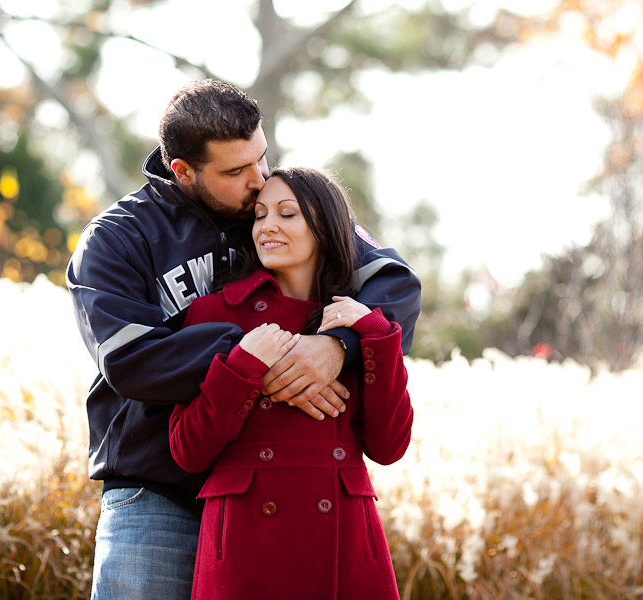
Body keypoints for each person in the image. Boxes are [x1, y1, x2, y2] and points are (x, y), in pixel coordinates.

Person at [66, 80, 420, 600]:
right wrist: (257, 356)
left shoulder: (277, 207)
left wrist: (336, 346)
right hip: (157, 494)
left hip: (268, 496)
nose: (258, 181)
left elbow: (395, 284)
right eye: (236, 172)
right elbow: (130, 358)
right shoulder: (117, 238)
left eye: (261, 157)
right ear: (182, 170)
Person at [169, 166, 412, 600]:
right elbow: (188, 449)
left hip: (347, 543)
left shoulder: (353, 321)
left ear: (325, 225)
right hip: (245, 546)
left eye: (287, 214)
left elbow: (388, 446)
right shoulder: (216, 313)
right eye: (260, 215)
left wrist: (374, 336)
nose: (267, 227)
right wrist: (244, 366)